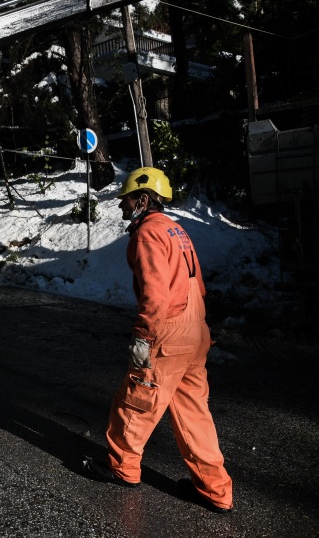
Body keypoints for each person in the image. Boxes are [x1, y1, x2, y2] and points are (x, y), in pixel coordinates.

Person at [84, 167, 233, 514]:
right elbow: (196, 284)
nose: (122, 206)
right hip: (195, 329)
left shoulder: (149, 232)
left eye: (127, 200)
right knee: (194, 415)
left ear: (144, 199)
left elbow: (155, 292)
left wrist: (143, 336)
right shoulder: (177, 230)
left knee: (136, 400)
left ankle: (122, 467)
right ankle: (216, 490)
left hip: (168, 331)